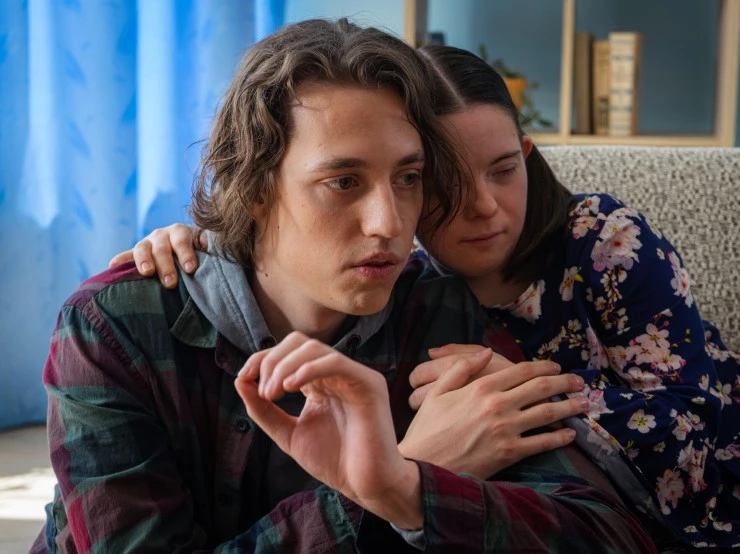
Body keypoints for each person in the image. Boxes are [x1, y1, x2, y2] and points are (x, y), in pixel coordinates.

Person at [34, 19, 657, 554]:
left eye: (407, 178)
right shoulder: (114, 329)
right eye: (343, 182)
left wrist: (408, 491)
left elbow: (610, 533)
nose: (389, 223)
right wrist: (389, 486)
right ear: (253, 188)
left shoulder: (436, 311)